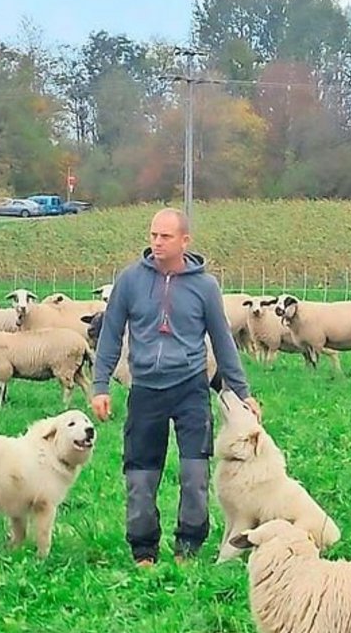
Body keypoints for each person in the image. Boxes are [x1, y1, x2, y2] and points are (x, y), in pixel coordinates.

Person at [89, 207, 261, 567]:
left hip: (190, 389)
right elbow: (111, 334)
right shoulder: (130, 281)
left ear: (185, 241)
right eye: (153, 235)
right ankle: (143, 551)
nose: (157, 242)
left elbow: (223, 341)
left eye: (165, 237)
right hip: (145, 390)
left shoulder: (204, 286)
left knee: (194, 474)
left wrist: (242, 392)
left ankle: (188, 547)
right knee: (140, 476)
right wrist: (100, 385)